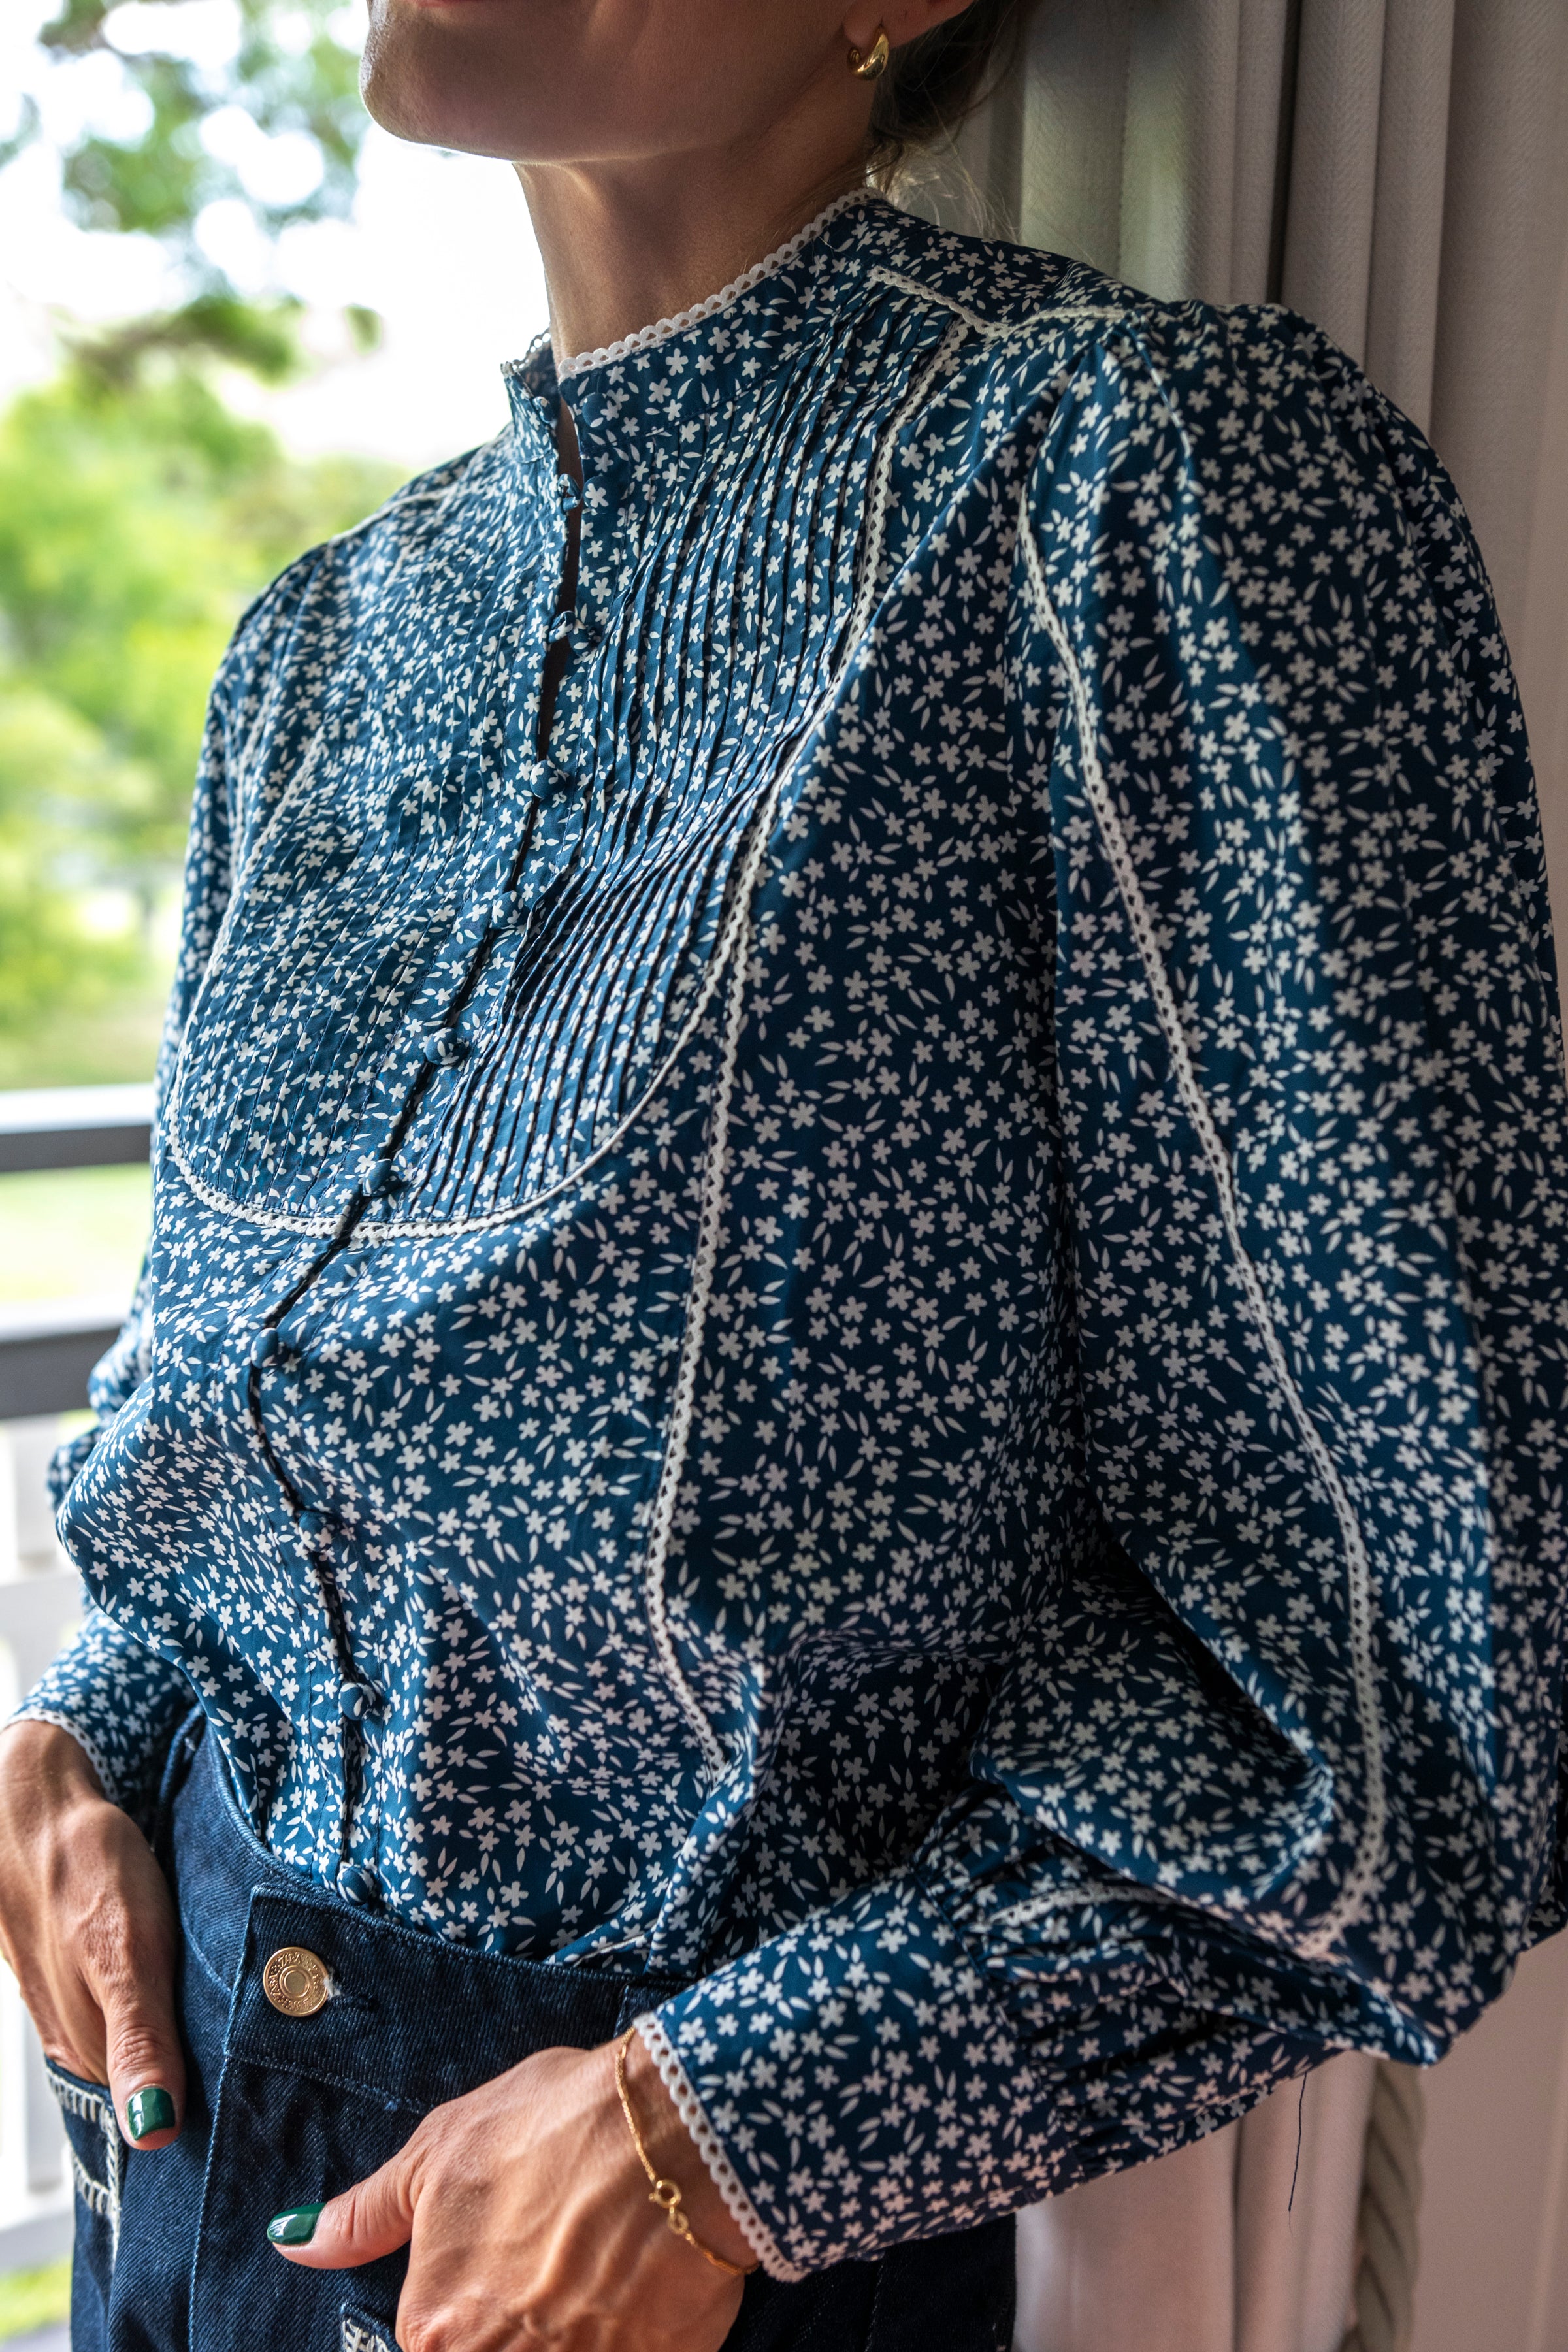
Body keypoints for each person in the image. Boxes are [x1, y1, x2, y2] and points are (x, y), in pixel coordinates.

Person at [3, 0, 1567, 2346]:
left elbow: (1407, 1704)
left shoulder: (1137, 483)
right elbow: (266, 1436)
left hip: (693, 2233)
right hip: (188, 2156)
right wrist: (79, 1738)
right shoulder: (314, 651)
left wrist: (727, 2125)